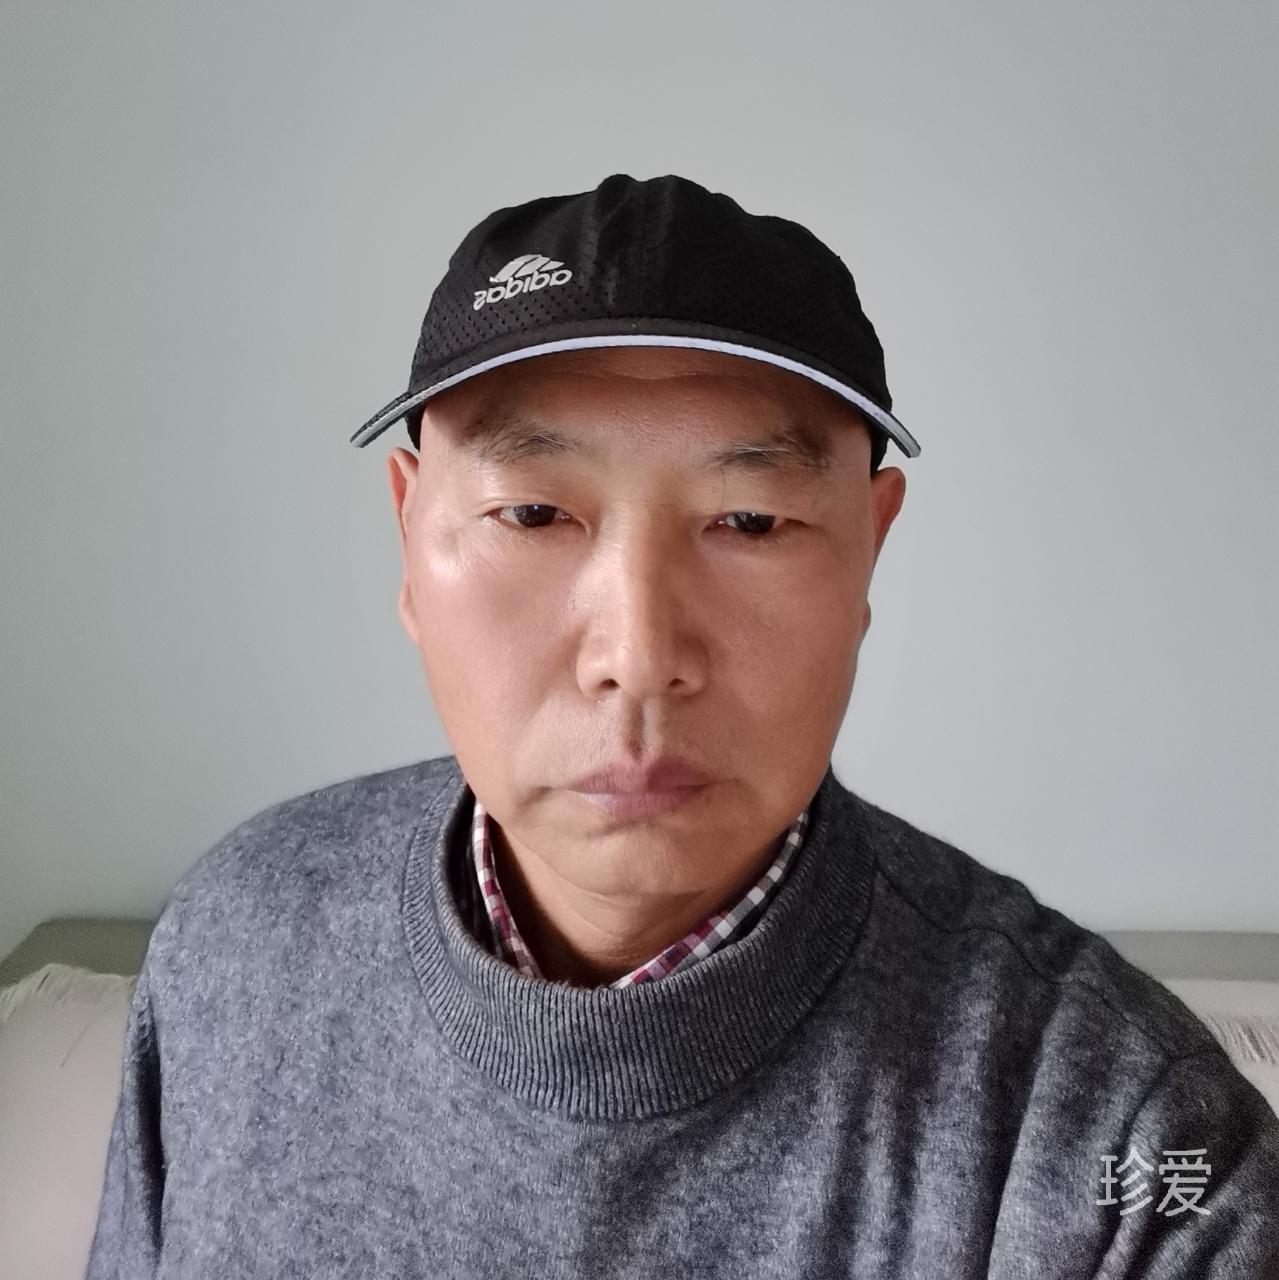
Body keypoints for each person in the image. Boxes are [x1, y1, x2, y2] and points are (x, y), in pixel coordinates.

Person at [86, 173, 1278, 1278]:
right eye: (533, 512)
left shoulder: (1131, 1150)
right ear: (409, 535)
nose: (638, 653)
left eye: (749, 520)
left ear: (870, 547)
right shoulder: (233, 943)